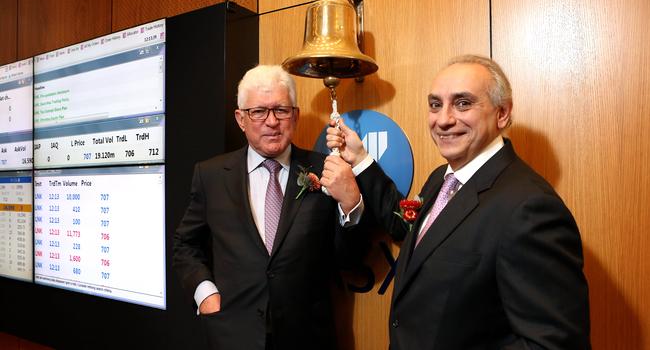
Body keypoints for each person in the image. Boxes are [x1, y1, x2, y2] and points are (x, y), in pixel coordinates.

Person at [326, 55, 591, 349]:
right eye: (435, 105)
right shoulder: (442, 177)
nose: (444, 119)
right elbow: (408, 231)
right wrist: (361, 160)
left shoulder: (531, 209)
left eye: (463, 103)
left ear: (502, 113)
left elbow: (555, 344)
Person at [173, 64, 363, 350]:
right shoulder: (210, 175)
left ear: (295, 116)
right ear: (240, 118)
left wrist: (352, 205)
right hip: (232, 335)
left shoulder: (328, 170)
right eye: (258, 111)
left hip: (307, 337)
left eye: (281, 110)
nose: (271, 121)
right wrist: (205, 294)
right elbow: (184, 244)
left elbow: (348, 258)